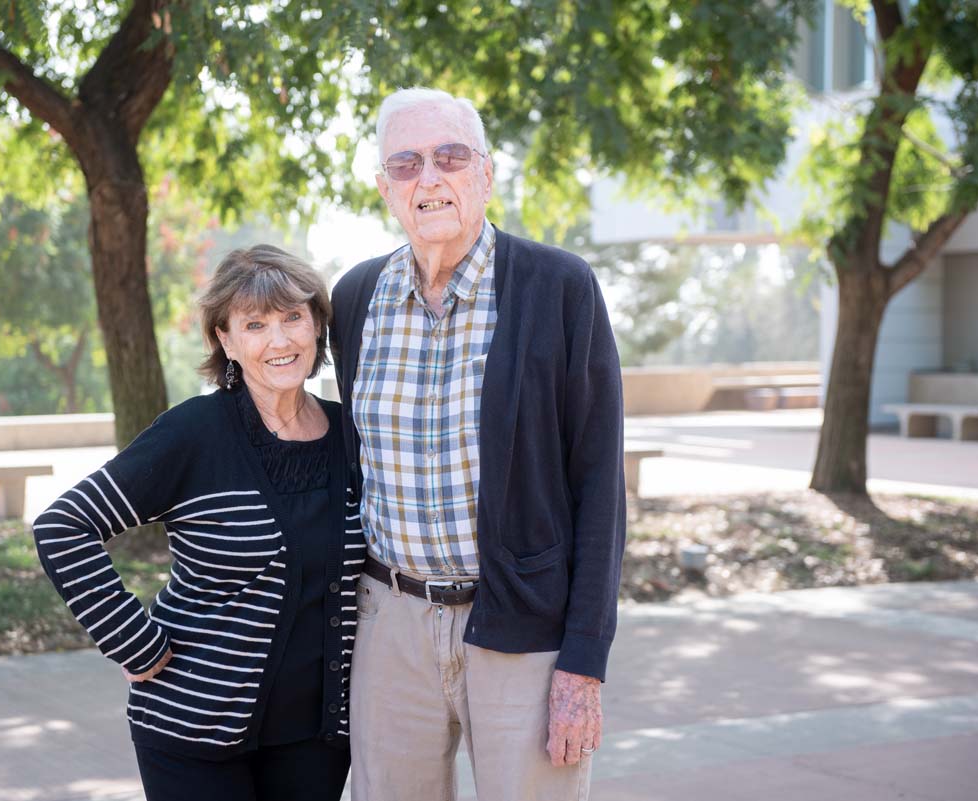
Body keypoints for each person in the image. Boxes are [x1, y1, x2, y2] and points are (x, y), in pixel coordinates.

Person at [330, 87, 626, 801]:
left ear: (485, 174)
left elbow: (598, 485)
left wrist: (583, 661)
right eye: (405, 164)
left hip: (522, 622)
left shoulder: (559, 287)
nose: (428, 179)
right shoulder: (354, 298)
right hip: (390, 621)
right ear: (384, 188)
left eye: (449, 157)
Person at [33, 245, 363, 801]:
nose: (279, 341)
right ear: (226, 341)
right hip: (191, 727)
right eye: (255, 324)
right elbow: (63, 526)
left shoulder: (350, 433)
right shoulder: (194, 433)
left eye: (293, 318)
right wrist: (133, 643)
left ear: (317, 326)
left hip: (316, 739)